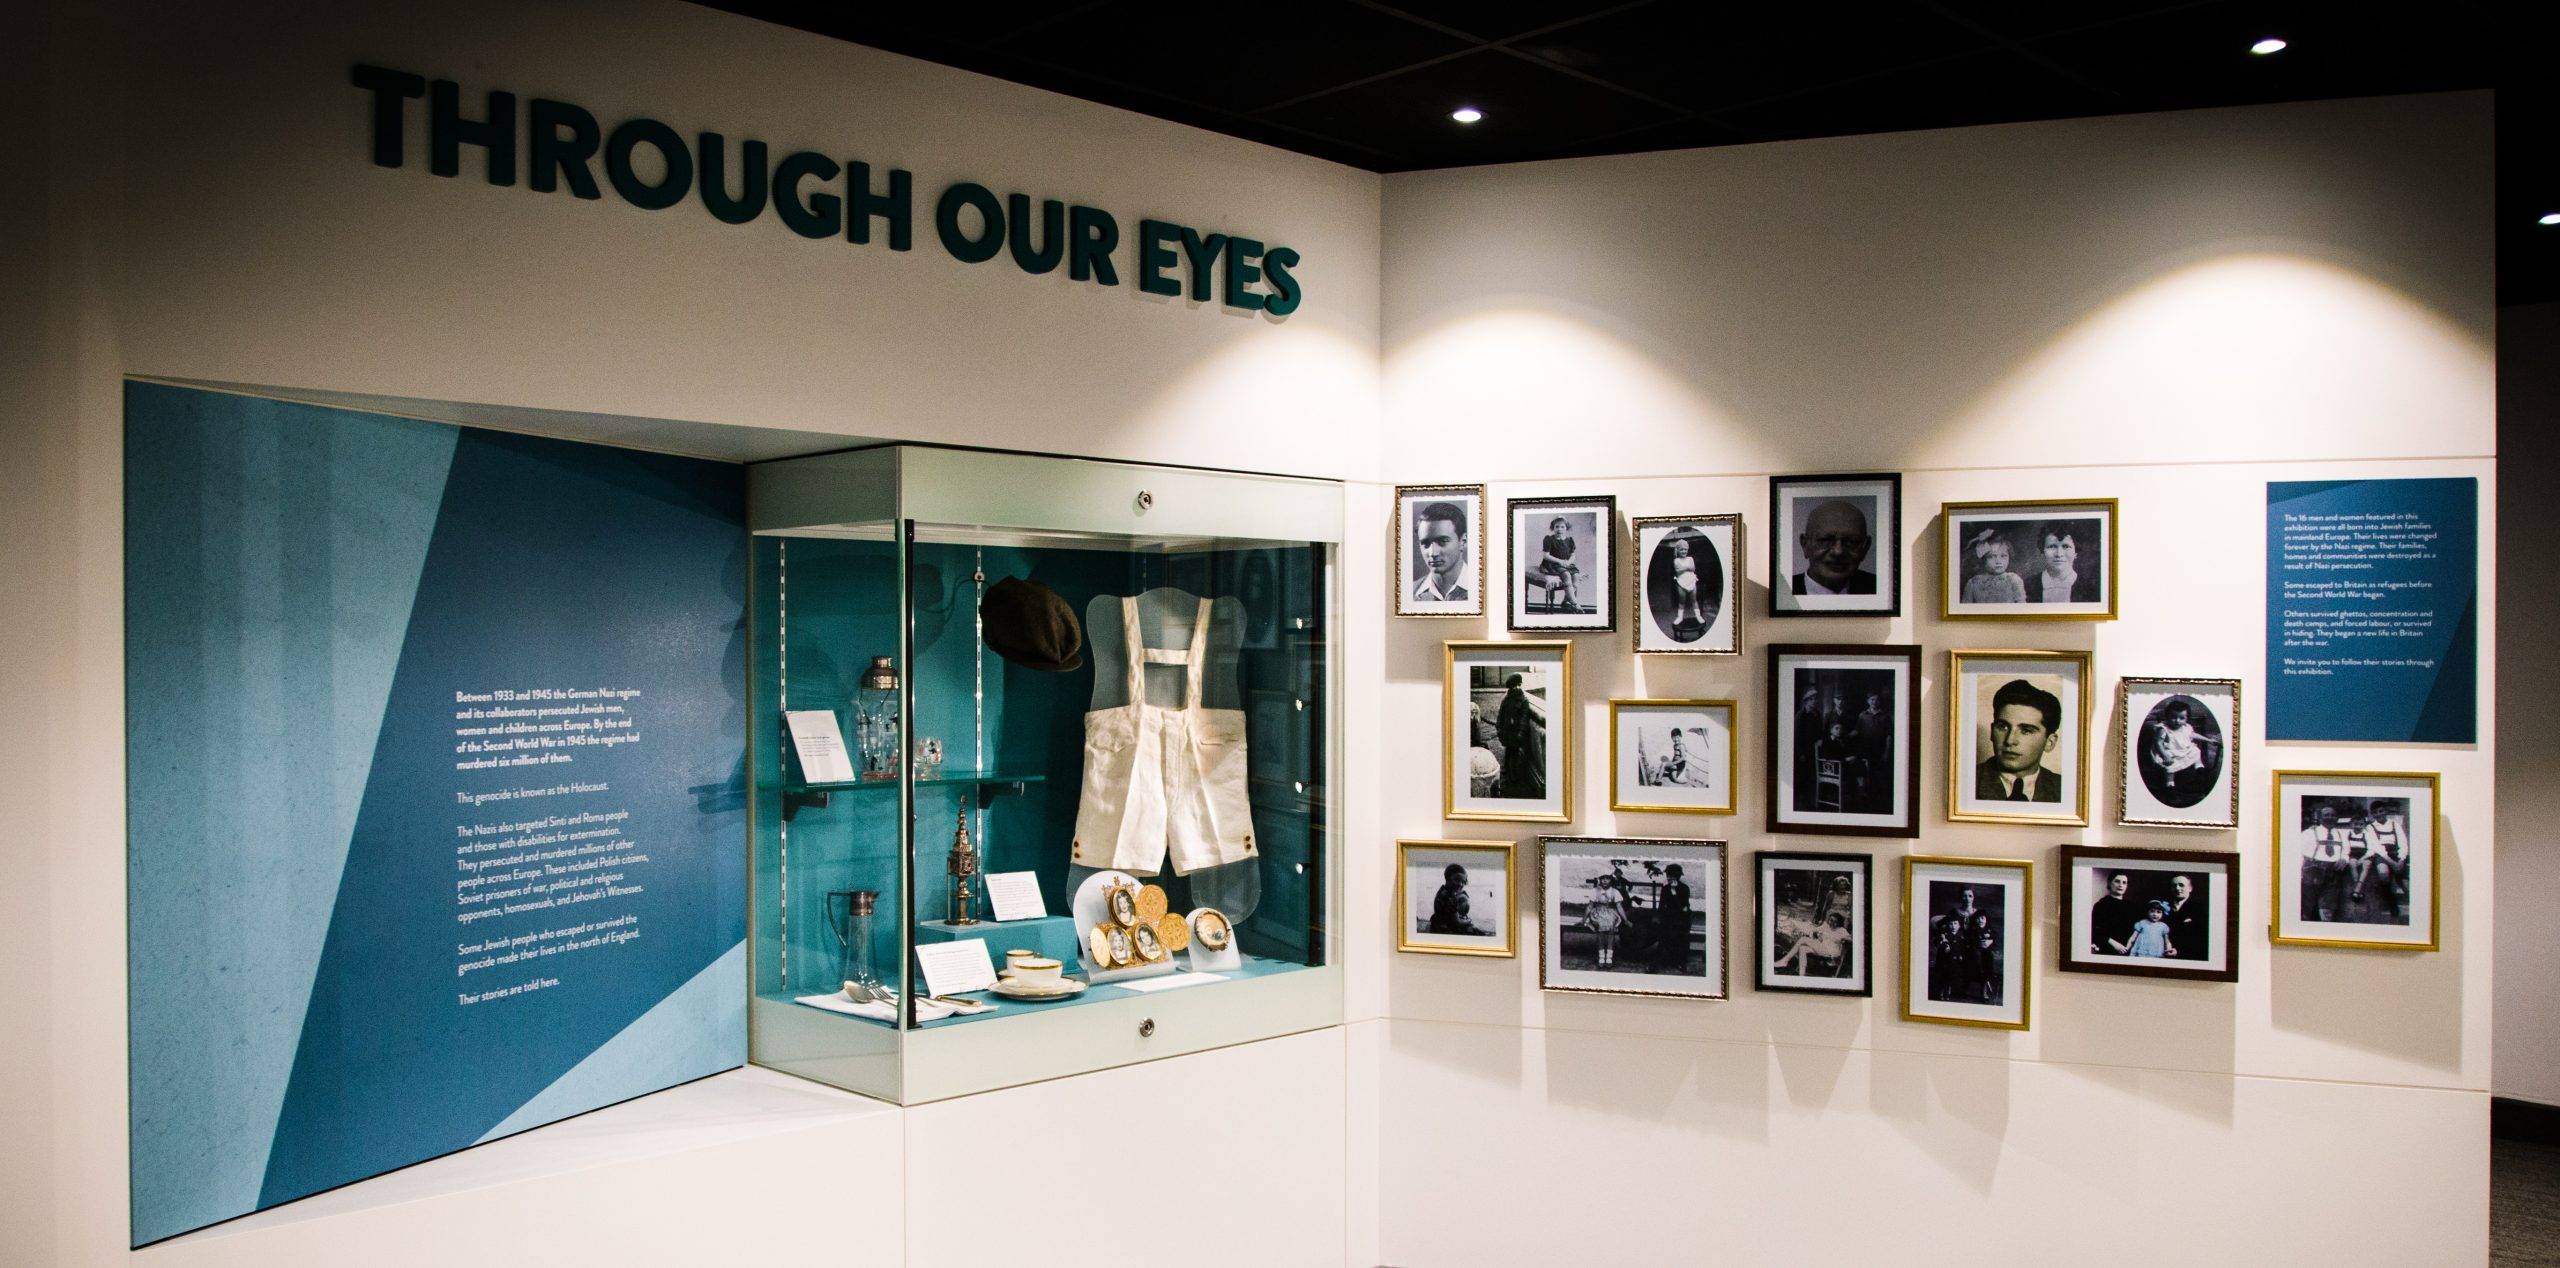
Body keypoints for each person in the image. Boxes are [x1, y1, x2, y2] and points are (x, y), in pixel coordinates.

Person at [1973, 678, 2064, 803]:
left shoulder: (2064, 790)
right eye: (2003, 727)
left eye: (2026, 730)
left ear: (2050, 742)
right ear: (1992, 732)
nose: (2010, 740)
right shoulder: (1966, 781)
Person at [1791, 500, 1877, 596]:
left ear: (1865, 547)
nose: (1838, 551)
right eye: (1825, 540)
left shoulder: (1881, 587)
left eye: (1850, 542)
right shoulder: (1784, 589)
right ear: (1805, 544)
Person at [2146, 699, 2211, 797]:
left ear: (2186, 719)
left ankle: (2199, 767)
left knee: (2196, 751)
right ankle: (2170, 785)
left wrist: (2209, 740)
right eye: (2173, 717)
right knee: (2170, 766)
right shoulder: (2163, 729)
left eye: (2181, 718)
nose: (2177, 721)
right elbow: (2158, 743)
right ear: (2167, 716)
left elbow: (2193, 735)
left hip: (2183, 750)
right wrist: (2165, 756)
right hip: (2169, 752)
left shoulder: (2186, 727)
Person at [1495, 674, 1546, 800]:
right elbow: (1501, 714)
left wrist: (1520, 733)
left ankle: (1513, 773)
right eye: (1514, 686)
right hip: (1507, 731)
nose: (1516, 688)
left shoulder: (1523, 700)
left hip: (1516, 733)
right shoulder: (1507, 699)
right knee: (1509, 750)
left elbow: (1524, 719)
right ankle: (1507, 769)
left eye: (1518, 685)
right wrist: (1499, 727)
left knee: (1515, 752)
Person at [2299, 802, 2351, 921]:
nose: (2330, 817)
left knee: (2328, 909)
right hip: (2312, 872)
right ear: (2320, 817)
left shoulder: (2341, 834)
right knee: (2308, 908)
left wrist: (2344, 859)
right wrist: (2299, 874)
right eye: (2326, 815)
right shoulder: (2309, 833)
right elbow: (2299, 853)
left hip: (2333, 873)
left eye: (2333, 815)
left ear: (2336, 818)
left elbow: (2346, 850)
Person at [2024, 522, 2099, 604]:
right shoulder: (2026, 586)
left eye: (2066, 546)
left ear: (2076, 552)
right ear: (2042, 551)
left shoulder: (2091, 589)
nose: (2059, 554)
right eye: (2052, 546)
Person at [1410, 500, 1471, 603]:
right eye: (1425, 543)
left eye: (1442, 541)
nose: (1433, 553)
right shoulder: (1410, 593)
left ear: (1463, 541)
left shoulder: (1481, 587)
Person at [1961, 529, 2025, 605]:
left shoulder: (2014, 580)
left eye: (2003, 556)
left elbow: (2022, 606)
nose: (1998, 561)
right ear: (1983, 559)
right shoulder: (1973, 583)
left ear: (2009, 557)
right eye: (1991, 556)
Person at [1580, 866, 1627, 969]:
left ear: (1611, 879)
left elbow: (1619, 906)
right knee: (1601, 926)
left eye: (1607, 878)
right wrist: (1583, 919)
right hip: (1598, 912)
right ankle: (1601, 956)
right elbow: (1590, 906)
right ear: (1599, 880)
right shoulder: (1595, 891)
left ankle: (1609, 956)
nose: (1605, 881)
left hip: (1610, 912)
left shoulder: (1614, 891)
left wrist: (1626, 920)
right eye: (1602, 878)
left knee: (1611, 925)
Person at [1532, 516, 1582, 611]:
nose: (1559, 529)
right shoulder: (1549, 539)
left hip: (1566, 564)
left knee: (1576, 577)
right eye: (1557, 527)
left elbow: (1573, 555)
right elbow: (1546, 555)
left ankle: (1566, 601)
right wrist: (1560, 561)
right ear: (1553, 528)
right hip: (1552, 564)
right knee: (1566, 575)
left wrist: (1568, 562)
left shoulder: (1569, 540)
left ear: (1566, 528)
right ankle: (1575, 603)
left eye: (1562, 527)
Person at [1652, 863, 1692, 972]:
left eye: (1670, 875)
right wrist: (1658, 916)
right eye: (1668, 875)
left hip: (1681, 919)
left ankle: (1681, 963)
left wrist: (1674, 892)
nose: (1668, 878)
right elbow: (1661, 904)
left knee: (1681, 940)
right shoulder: (1665, 888)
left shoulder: (1684, 888)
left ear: (1677, 876)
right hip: (1668, 918)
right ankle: (1658, 964)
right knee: (1663, 939)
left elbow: (1683, 907)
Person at [2089, 871, 2140, 955]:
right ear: (2109, 883)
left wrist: (2129, 946)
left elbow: (2138, 928)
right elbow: (2095, 930)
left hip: (2129, 950)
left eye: (2124, 883)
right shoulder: (2101, 905)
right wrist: (2114, 944)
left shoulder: (2132, 906)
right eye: (2117, 881)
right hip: (2108, 950)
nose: (2121, 885)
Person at [1426, 863, 1482, 936]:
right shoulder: (1451, 898)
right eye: (1457, 880)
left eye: (1463, 882)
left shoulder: (1443, 890)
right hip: (1445, 928)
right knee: (1475, 931)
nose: (1460, 884)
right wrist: (1469, 921)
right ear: (1447, 878)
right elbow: (1457, 922)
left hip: (1437, 923)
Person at [1665, 537, 1708, 629]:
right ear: (1678, 550)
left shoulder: (1690, 558)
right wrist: (1687, 568)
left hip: (1691, 580)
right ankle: (1680, 617)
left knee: (1694, 600)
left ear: (1687, 550)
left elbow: (1693, 568)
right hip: (1681, 581)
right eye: (1681, 550)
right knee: (1682, 601)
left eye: (1685, 549)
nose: (1683, 551)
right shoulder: (1676, 560)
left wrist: (1685, 568)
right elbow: (1678, 571)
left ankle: (1698, 616)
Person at [2164, 874, 2208, 961]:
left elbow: (2202, 939)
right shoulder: (2163, 908)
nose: (2177, 888)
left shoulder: (2200, 908)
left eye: (2181, 885)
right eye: (2174, 886)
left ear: (2190, 888)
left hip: (2189, 957)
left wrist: (2179, 951)